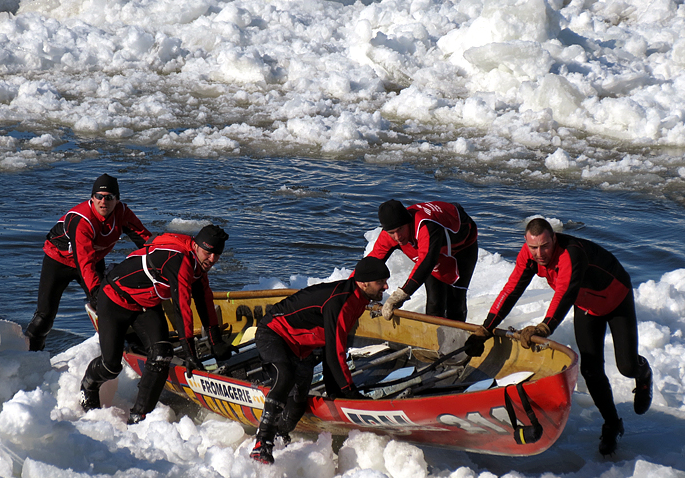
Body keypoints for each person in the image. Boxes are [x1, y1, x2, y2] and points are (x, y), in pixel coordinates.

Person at [464, 217, 652, 456]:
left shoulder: (570, 254)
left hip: (616, 299)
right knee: (591, 371)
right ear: (526, 242)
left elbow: (565, 293)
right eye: (534, 247)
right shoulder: (529, 255)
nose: (540, 253)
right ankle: (612, 424)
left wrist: (543, 328)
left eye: (545, 246)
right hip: (586, 306)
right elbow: (511, 290)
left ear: (554, 239)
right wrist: (485, 329)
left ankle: (643, 372)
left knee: (626, 367)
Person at [79, 224, 230, 425]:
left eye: (217, 254)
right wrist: (190, 353)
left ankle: (139, 415)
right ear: (195, 245)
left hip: (145, 305)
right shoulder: (179, 260)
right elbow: (182, 308)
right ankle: (88, 386)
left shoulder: (198, 266)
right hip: (115, 299)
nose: (212, 259)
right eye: (208, 252)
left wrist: (216, 341)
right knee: (111, 366)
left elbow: (205, 301)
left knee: (161, 354)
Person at [250, 256, 390, 464]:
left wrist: (336, 391)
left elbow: (333, 346)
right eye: (381, 282)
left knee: (298, 401)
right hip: (274, 333)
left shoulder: (359, 300)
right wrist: (349, 391)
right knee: (285, 377)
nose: (386, 286)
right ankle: (262, 444)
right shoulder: (343, 301)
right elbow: (335, 352)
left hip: (302, 346)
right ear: (364, 283)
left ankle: (281, 437)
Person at [24, 174, 151, 352]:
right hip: (58, 262)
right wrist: (95, 291)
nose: (103, 201)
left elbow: (145, 240)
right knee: (45, 316)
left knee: (115, 303)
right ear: (92, 198)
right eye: (98, 197)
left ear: (117, 200)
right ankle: (29, 356)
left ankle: (137, 346)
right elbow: (84, 262)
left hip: (93, 259)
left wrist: (164, 259)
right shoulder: (82, 220)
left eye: (109, 197)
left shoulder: (122, 213)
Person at [367, 199, 478, 322]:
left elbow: (427, 262)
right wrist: (351, 289)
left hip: (463, 247)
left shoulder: (426, 225)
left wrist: (400, 295)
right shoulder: (388, 234)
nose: (397, 237)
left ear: (408, 223)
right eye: (392, 232)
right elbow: (369, 266)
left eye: (400, 229)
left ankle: (456, 338)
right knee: (434, 302)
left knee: (455, 300)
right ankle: (433, 338)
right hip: (433, 248)